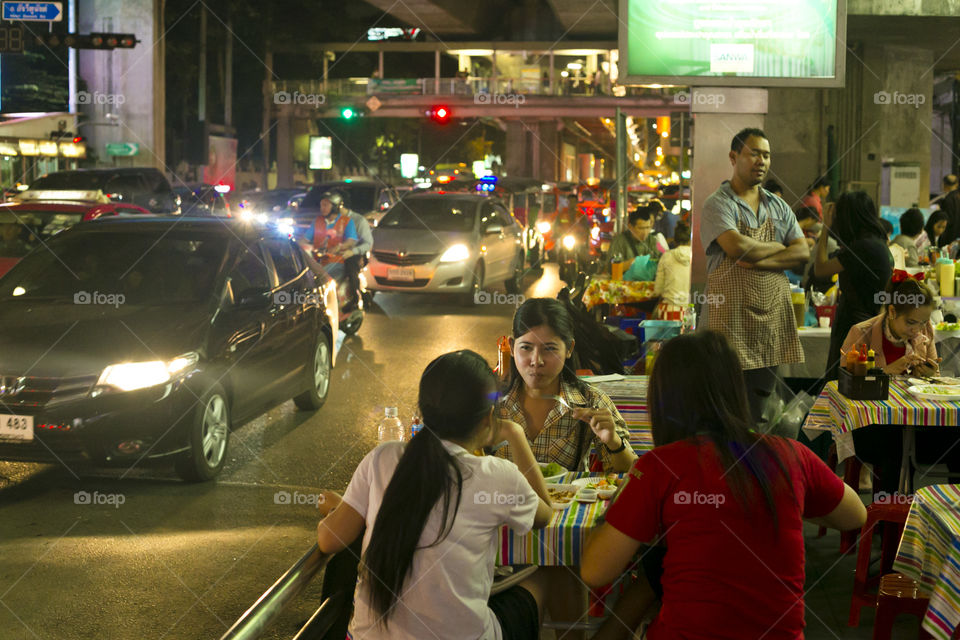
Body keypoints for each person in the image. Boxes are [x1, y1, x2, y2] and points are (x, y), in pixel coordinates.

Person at [580, 330, 866, 640]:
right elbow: (855, 516)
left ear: (662, 399)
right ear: (736, 388)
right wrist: (788, 504)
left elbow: (594, 571)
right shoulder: (791, 454)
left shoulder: (658, 467)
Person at [316, 350, 555, 640]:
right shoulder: (498, 475)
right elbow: (546, 514)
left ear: (423, 410)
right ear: (486, 418)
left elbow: (329, 539)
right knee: (546, 576)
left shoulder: (384, 457)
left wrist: (338, 508)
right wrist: (515, 433)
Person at [699, 127, 809, 426]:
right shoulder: (717, 204)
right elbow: (735, 247)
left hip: (767, 328)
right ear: (734, 157)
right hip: (728, 326)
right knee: (723, 415)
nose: (761, 160)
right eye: (754, 153)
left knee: (758, 416)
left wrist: (757, 256)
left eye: (767, 155)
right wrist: (777, 247)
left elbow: (802, 253)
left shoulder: (778, 205)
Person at [494, 298, 636, 474]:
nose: (536, 361)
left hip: (566, 500)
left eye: (549, 349)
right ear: (512, 346)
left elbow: (633, 475)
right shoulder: (492, 402)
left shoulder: (591, 402)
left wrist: (614, 442)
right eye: (526, 347)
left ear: (569, 348)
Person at [814, 191, 893, 380]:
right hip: (869, 323)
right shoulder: (879, 242)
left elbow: (820, 269)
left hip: (854, 326)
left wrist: (825, 226)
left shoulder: (862, 247)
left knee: (841, 383)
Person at [298, 190, 358, 281]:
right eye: (321, 205)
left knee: (318, 277)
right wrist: (292, 244)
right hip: (317, 261)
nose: (322, 208)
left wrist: (340, 246)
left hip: (337, 261)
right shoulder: (317, 221)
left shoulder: (347, 221)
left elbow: (351, 240)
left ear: (335, 207)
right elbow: (305, 239)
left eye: (325, 205)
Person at [652, 220, 691, 319]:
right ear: (690, 241)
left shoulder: (666, 256)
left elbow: (658, 290)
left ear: (674, 240)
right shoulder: (695, 257)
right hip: (689, 311)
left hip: (669, 310)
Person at [606, 205, 660, 271]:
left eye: (647, 228)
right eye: (641, 228)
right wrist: (631, 263)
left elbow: (659, 262)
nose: (645, 232)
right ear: (630, 227)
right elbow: (610, 268)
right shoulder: (619, 241)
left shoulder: (652, 240)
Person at [342, 195, 372, 305]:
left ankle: (355, 297)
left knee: (350, 267)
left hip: (354, 255)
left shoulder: (358, 220)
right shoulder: (329, 220)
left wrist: (352, 252)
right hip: (335, 253)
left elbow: (368, 243)